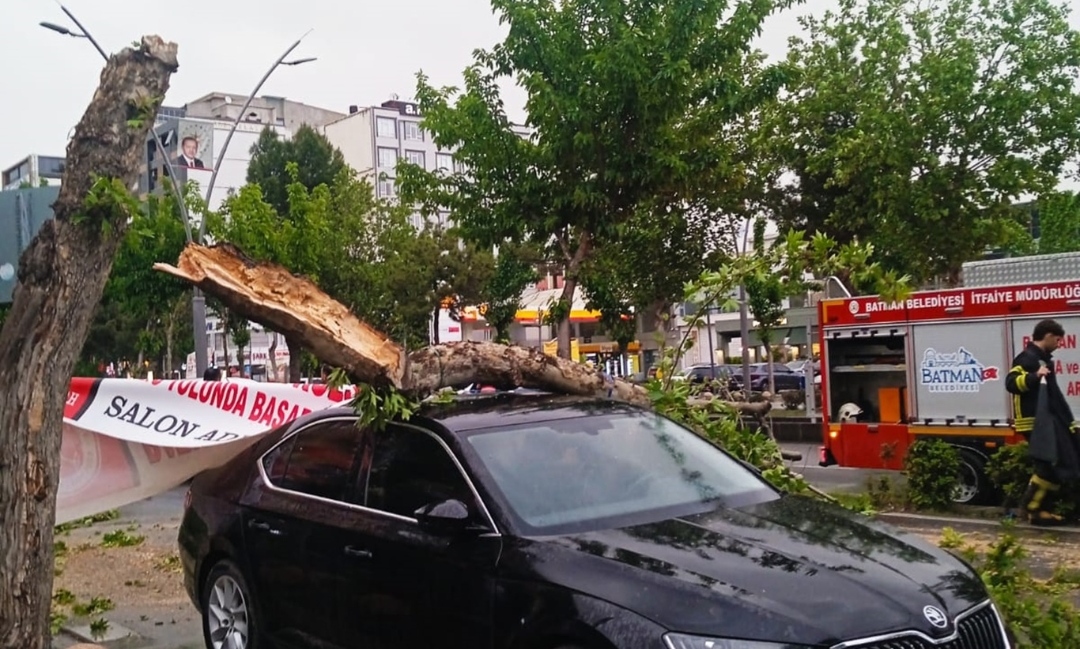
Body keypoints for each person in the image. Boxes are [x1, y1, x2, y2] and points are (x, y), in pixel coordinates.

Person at [1006, 318, 1075, 525]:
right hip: (1033, 422)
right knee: (1047, 464)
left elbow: (1054, 396)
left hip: (1047, 420)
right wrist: (1035, 376)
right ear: (1048, 336)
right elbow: (1011, 383)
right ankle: (1031, 509)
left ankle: (1037, 510)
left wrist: (1070, 423)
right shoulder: (1026, 358)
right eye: (1058, 340)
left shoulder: (1045, 361)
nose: (1059, 344)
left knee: (1054, 465)